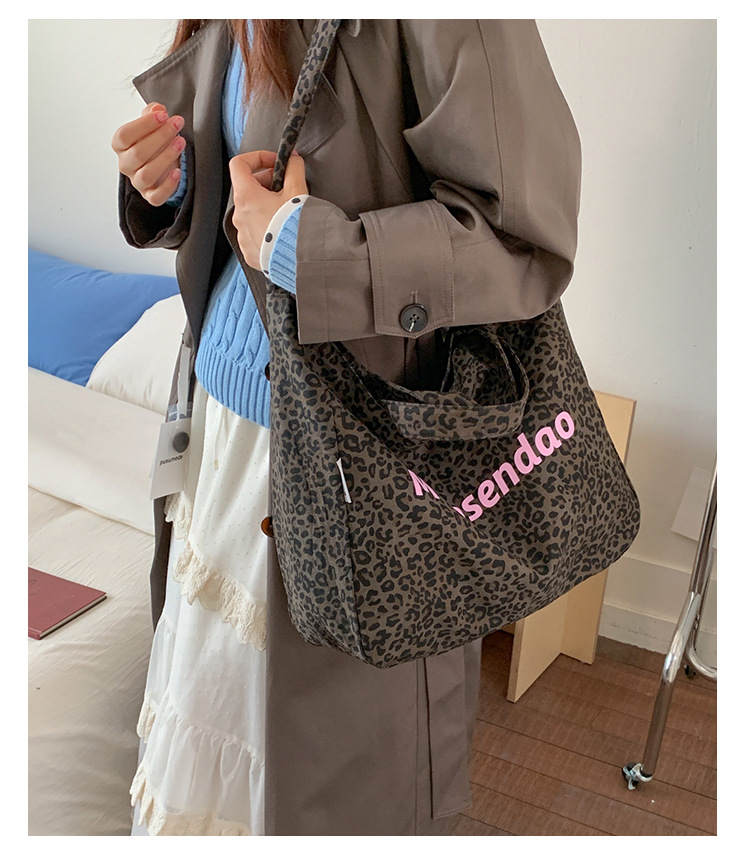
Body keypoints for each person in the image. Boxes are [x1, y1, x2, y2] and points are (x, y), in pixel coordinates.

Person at [112, 18, 581, 836]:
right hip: (222, 433)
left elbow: (524, 236)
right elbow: (250, 190)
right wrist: (175, 184)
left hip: (349, 464)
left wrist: (300, 242)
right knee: (210, 772)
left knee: (331, 787)